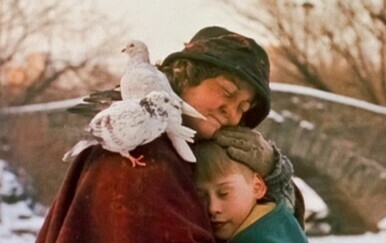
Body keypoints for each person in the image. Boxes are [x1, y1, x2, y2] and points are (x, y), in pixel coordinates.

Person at [36, 26, 304, 243]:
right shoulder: (143, 154)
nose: (232, 113)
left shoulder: (181, 149)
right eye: (227, 92)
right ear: (183, 75)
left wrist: (274, 176)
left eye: (243, 108)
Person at [193, 140, 308, 242]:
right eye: (202, 197)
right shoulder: (282, 222)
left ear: (257, 187)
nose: (212, 208)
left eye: (224, 193)